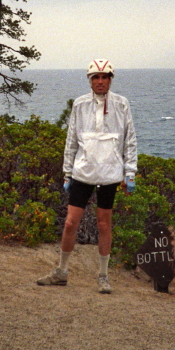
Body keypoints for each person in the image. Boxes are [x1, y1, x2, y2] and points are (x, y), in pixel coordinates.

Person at [37, 59, 137, 294]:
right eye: (95, 78)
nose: (100, 82)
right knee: (71, 222)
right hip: (83, 172)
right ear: (90, 80)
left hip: (110, 173)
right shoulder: (80, 104)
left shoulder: (122, 104)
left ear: (110, 79)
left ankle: (103, 276)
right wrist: (67, 173)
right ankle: (61, 272)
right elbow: (71, 140)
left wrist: (130, 172)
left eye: (104, 77)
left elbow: (129, 140)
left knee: (104, 224)